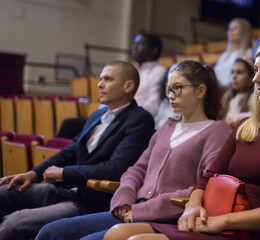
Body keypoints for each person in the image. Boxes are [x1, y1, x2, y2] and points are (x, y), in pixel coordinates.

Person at [101, 38, 260, 240]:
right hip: (217, 220)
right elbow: (208, 178)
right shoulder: (245, 127)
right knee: (116, 234)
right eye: (256, 70)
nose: (255, 79)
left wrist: (223, 221)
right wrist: (192, 206)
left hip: (253, 230)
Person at [35, 60, 231, 240]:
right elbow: (137, 169)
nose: (171, 96)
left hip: (168, 218)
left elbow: (207, 186)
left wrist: (147, 209)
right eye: (168, 90)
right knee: (49, 232)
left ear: (200, 91)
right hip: (134, 209)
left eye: (178, 88)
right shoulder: (166, 127)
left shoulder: (216, 131)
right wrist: (125, 196)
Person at [0, 61, 155, 240]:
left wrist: (65, 173)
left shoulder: (140, 119)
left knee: (15, 223)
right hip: (64, 189)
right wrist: (34, 174)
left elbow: (115, 169)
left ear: (128, 86)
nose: (99, 84)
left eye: (107, 79)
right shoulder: (98, 114)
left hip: (89, 200)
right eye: (100, 79)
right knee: (3, 192)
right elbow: (71, 151)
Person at [132, 31, 168, 116]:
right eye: (134, 43)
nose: (134, 47)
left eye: (140, 44)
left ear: (153, 50)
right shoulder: (131, 70)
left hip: (138, 118)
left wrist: (126, 111)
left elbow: (153, 106)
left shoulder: (159, 71)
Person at [214, 18, 252, 88]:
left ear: (244, 32)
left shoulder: (248, 53)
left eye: (235, 28)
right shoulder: (225, 55)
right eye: (229, 28)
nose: (230, 31)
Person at [221, 57, 254, 129]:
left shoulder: (253, 97)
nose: (234, 76)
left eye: (239, 72)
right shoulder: (228, 97)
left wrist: (235, 119)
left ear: (251, 76)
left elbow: (256, 116)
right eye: (232, 72)